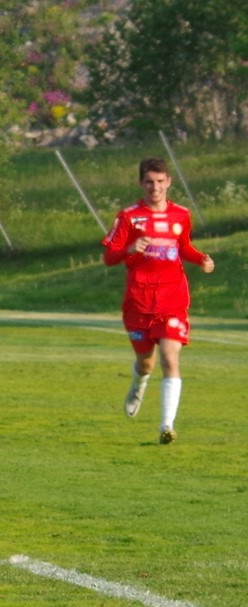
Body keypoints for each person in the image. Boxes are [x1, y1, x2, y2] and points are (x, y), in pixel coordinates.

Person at [102, 157, 215, 444]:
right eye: (149, 182)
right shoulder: (128, 216)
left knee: (169, 358)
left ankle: (167, 425)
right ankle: (138, 383)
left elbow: (184, 247)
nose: (155, 187)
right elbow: (109, 257)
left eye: (160, 182)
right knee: (146, 363)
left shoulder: (181, 214)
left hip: (172, 299)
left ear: (169, 183)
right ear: (141, 184)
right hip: (139, 302)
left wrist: (201, 259)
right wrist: (130, 248)